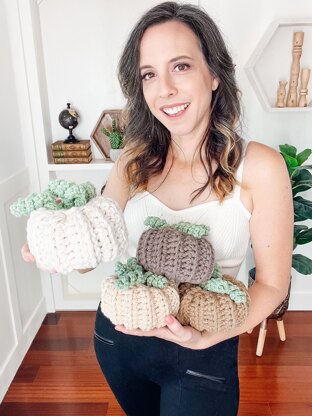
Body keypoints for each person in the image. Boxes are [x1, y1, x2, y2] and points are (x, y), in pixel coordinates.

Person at [22, 2, 293, 415]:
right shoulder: (132, 159)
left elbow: (273, 286)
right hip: (118, 341)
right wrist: (62, 249)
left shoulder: (261, 167)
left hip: (206, 348)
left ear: (215, 74)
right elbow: (97, 242)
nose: (163, 88)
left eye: (180, 66)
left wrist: (206, 338)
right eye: (149, 74)